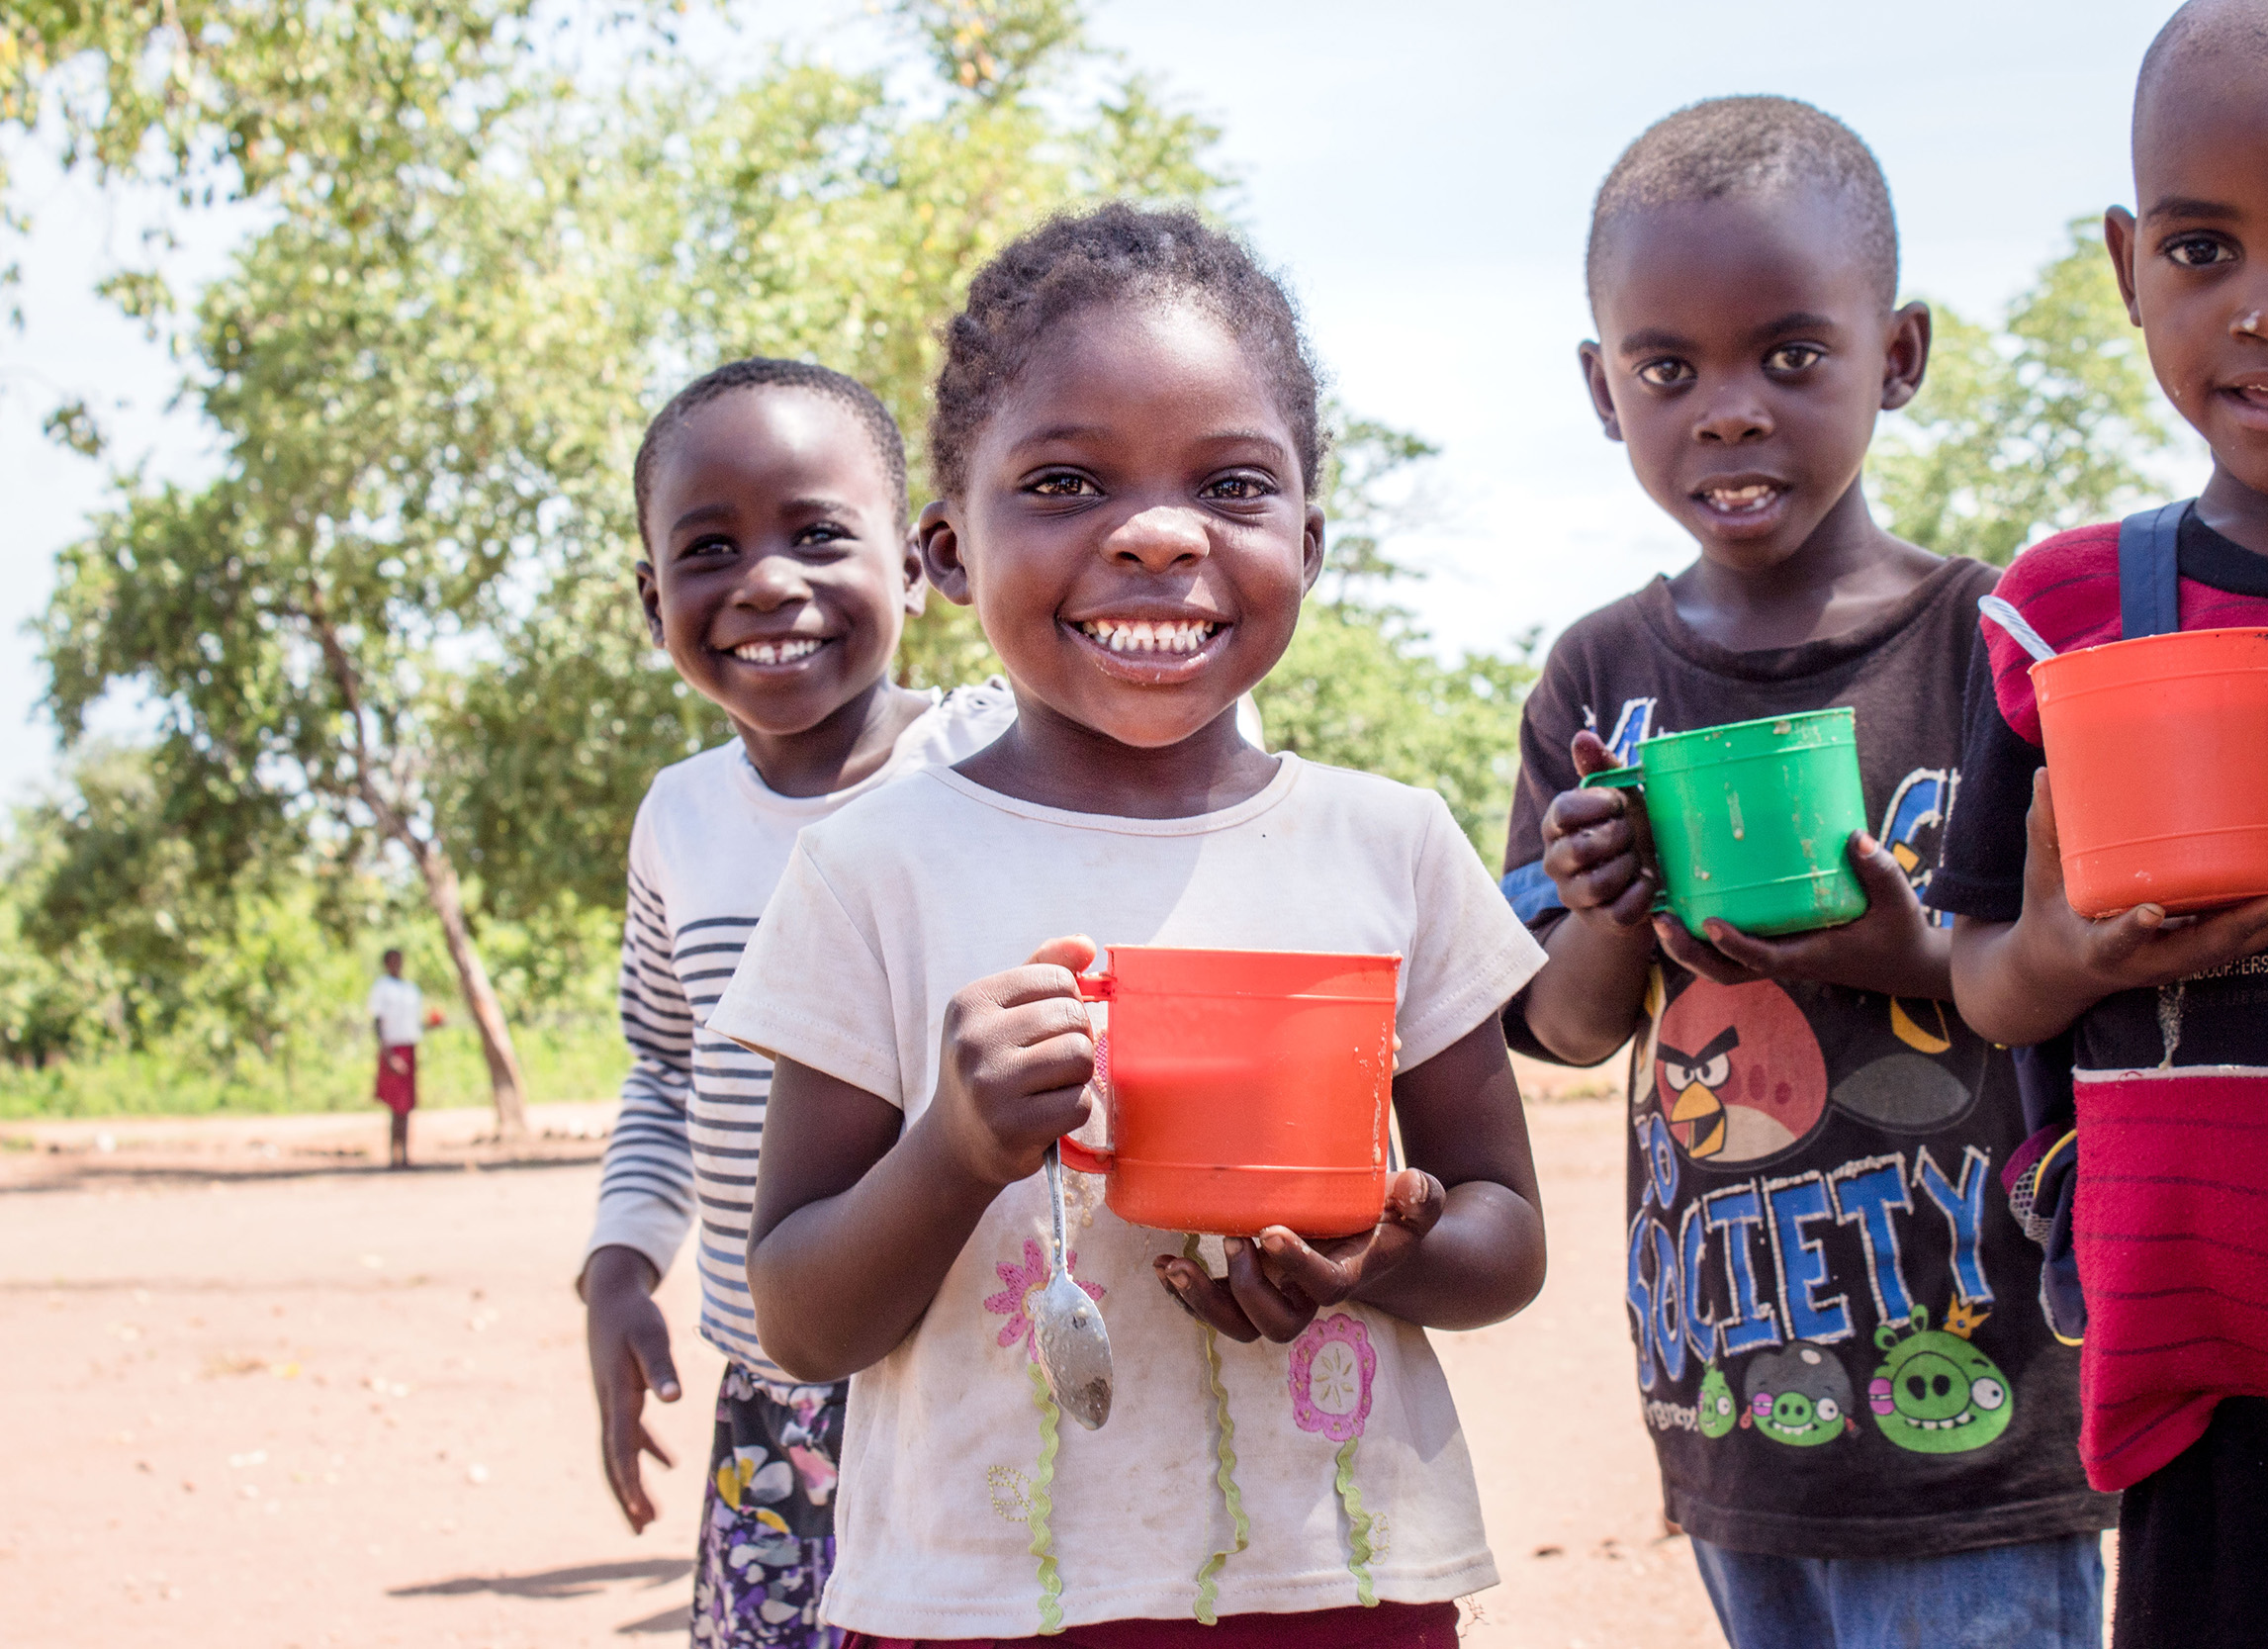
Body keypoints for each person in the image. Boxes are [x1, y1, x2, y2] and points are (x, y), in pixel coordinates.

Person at [712, 204, 1549, 1648]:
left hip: (1334, 1588)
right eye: (1065, 480)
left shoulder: (1391, 841)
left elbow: (1506, 1231)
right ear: (947, 553)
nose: (1161, 533)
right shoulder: (873, 868)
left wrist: (1382, 1249)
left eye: (1230, 484)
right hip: (974, 1601)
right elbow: (799, 1315)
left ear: (1309, 536)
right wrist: (954, 1149)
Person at [1498, 97, 2111, 1649]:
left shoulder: (2001, 647)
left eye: (1790, 354)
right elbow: (1570, 1030)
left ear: (1896, 357)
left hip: (1975, 1404)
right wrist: (1602, 902)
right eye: (1666, 368)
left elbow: (2072, 973)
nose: (1727, 410)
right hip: (1730, 1394)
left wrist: (1906, 960)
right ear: (1600, 387)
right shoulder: (1599, 677)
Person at [1932, 4, 2268, 1643]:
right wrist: (2054, 948)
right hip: (2198, 1404)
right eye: (2203, 244)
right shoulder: (2062, 612)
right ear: (2127, 266)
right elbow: (1977, 978)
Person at [578, 357, 1015, 1648]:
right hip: (780, 1390)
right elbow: (663, 1066)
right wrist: (615, 1269)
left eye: (819, 533)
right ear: (655, 600)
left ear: (928, 564)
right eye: (709, 548)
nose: (767, 581)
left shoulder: (996, 755)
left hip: (986, 1370)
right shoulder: (680, 819)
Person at [368, 949, 423, 1169]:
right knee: (395, 1106)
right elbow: (378, 1023)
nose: (397, 964)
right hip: (392, 1048)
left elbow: (413, 1024)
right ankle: (394, 1155)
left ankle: (406, 1154)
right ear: (386, 963)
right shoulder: (382, 988)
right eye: (392, 961)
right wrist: (388, 1055)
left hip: (409, 1046)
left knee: (406, 1106)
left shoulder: (410, 989)